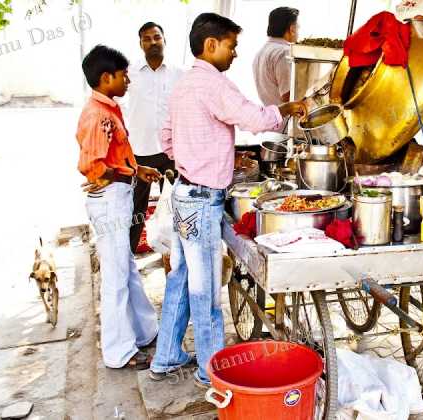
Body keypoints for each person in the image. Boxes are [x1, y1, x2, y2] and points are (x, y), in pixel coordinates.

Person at [149, 12, 307, 387]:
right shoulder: (212, 83)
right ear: (211, 45)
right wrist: (285, 109)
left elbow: (166, 138)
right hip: (202, 198)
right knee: (205, 291)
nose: (235, 53)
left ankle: (167, 355)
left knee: (181, 278)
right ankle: (212, 370)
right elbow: (252, 118)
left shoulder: (183, 84)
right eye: (231, 46)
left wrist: (194, 157)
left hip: (185, 190)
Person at [76, 45, 161, 370]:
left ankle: (144, 331)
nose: (128, 81)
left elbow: (116, 156)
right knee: (115, 278)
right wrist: (125, 173)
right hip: (110, 199)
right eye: (124, 76)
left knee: (125, 267)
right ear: (105, 77)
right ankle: (119, 352)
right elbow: (94, 166)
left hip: (117, 195)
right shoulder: (98, 115)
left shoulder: (108, 109)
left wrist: (136, 170)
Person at [124, 22, 185, 254]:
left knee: (176, 208)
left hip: (171, 152)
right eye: (147, 39)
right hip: (139, 153)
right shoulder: (129, 73)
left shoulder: (179, 73)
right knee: (135, 211)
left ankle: (177, 258)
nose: (152, 42)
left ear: (164, 40)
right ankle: (128, 259)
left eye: (157, 37)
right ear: (140, 44)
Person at [252, 6, 299, 132]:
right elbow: (288, 96)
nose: (298, 31)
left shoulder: (261, 52)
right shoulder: (284, 52)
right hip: (286, 128)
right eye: (297, 27)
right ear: (292, 29)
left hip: (271, 125)